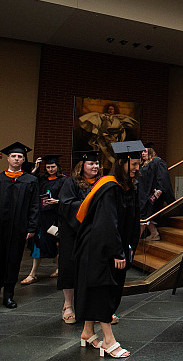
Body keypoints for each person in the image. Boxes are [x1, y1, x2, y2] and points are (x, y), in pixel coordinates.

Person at [73, 140, 143, 358]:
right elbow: (106, 222)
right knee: (104, 290)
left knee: (100, 289)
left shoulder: (126, 187)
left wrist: (128, 246)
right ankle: (108, 340)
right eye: (133, 164)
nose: (137, 168)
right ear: (121, 162)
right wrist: (117, 252)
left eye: (139, 164)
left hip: (110, 245)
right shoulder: (110, 187)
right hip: (100, 247)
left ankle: (87, 332)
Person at [57, 150, 101, 324]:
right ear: (81, 166)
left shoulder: (101, 183)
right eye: (91, 164)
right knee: (69, 267)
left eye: (97, 164)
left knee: (93, 269)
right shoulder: (71, 182)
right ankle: (68, 305)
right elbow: (66, 204)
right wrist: (89, 206)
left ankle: (93, 308)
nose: (95, 166)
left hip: (94, 233)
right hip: (73, 233)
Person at [0, 142, 39, 309]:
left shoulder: (30, 180)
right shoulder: (0, 178)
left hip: (19, 228)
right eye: (14, 156)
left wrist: (31, 227)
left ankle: (8, 295)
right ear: (8, 158)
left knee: (14, 260)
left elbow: (35, 205)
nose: (16, 159)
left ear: (23, 160)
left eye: (20, 157)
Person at [21, 154, 65, 284]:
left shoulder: (63, 181)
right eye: (48, 167)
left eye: (53, 166)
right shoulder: (41, 179)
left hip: (55, 216)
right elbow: (31, 182)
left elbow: (67, 197)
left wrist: (57, 201)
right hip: (42, 216)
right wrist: (36, 168)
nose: (50, 169)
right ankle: (32, 273)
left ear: (57, 167)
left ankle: (60, 268)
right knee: (38, 244)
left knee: (55, 244)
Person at [138, 143, 175, 241]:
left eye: (145, 151)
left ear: (150, 151)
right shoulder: (142, 165)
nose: (142, 153)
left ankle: (135, 242)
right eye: (141, 151)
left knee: (144, 215)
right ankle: (154, 233)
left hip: (151, 195)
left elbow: (162, 177)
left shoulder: (157, 162)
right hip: (142, 194)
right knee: (146, 215)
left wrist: (160, 189)